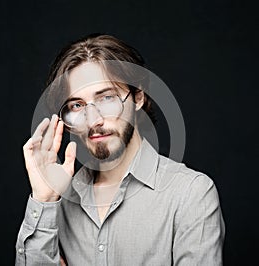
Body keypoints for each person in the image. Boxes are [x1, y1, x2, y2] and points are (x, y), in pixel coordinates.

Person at [15, 34, 225, 265]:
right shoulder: (59, 201)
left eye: (106, 98)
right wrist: (44, 200)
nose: (93, 120)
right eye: (77, 105)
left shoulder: (191, 194)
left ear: (138, 97)